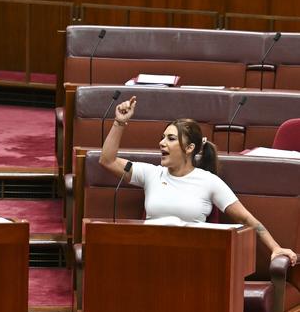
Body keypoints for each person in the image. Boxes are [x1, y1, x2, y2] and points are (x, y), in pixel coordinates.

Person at [99, 95, 297, 264]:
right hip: (149, 257)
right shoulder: (151, 173)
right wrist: (119, 122)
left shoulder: (208, 181)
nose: (161, 143)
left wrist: (275, 248)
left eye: (170, 138)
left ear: (190, 148)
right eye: (162, 137)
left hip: (192, 261)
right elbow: (107, 160)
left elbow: (246, 219)